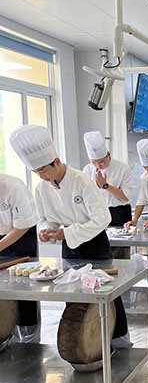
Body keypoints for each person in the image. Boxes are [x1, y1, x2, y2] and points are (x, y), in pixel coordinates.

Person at [10, 124, 130, 348]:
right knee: (72, 293)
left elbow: (102, 218)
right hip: (68, 246)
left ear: (56, 162)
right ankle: (82, 345)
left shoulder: (81, 180)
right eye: (36, 173)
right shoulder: (42, 188)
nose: (41, 176)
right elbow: (45, 218)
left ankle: (119, 341)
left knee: (105, 293)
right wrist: (46, 230)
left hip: (94, 245)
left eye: (43, 170)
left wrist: (66, 232)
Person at [0, 173, 40, 343]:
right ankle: (6, 336)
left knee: (24, 290)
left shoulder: (13, 186)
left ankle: (29, 340)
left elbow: (23, 225)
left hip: (21, 237)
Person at [82, 131, 133, 226]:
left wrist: (105, 186)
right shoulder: (87, 170)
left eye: (101, 162)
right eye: (94, 163)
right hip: (97, 213)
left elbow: (126, 197)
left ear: (108, 155)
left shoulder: (122, 168)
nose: (98, 166)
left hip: (119, 213)